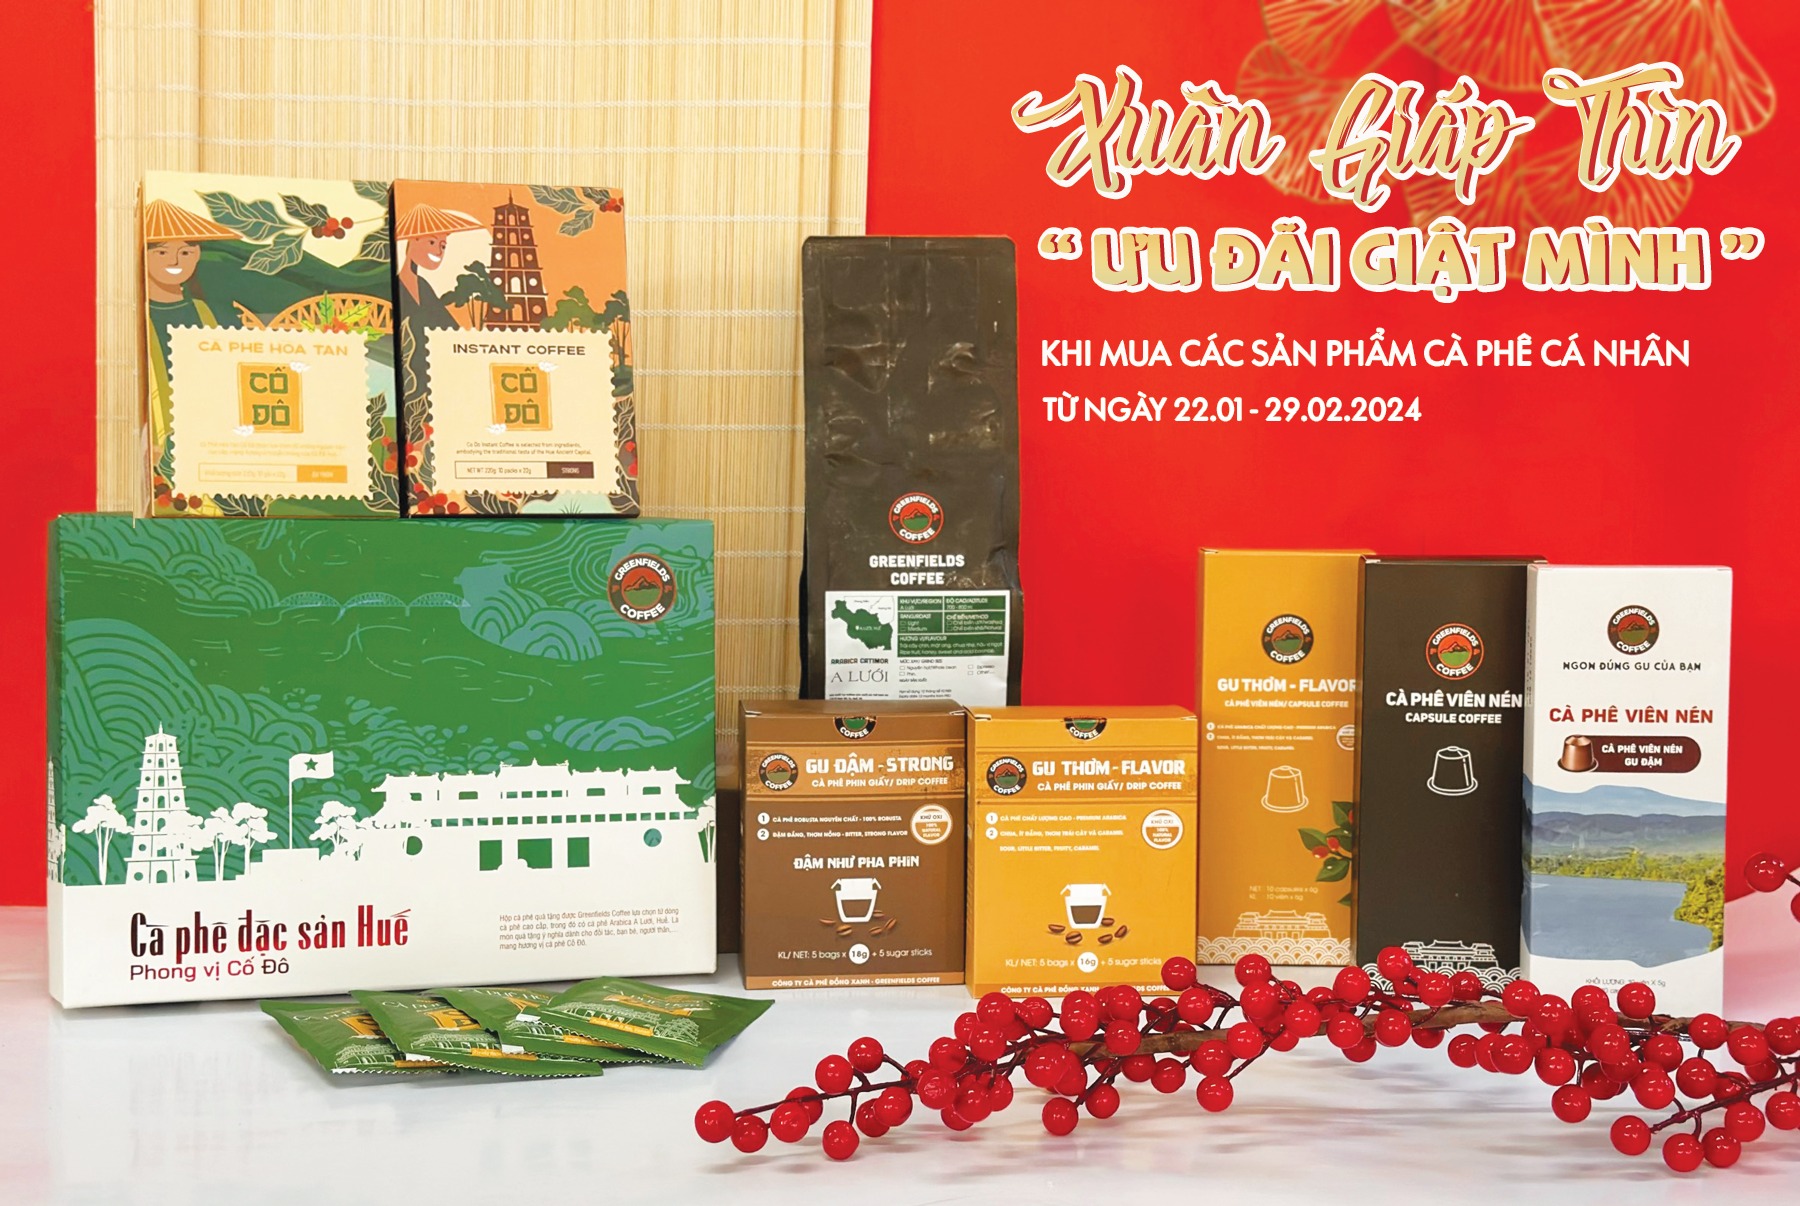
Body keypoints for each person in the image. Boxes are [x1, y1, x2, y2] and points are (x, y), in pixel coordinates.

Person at [141, 199, 240, 463]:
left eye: (185, 252)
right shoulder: (134, 319)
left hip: (216, 443)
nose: (174, 261)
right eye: (161, 252)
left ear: (197, 255)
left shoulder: (215, 314)